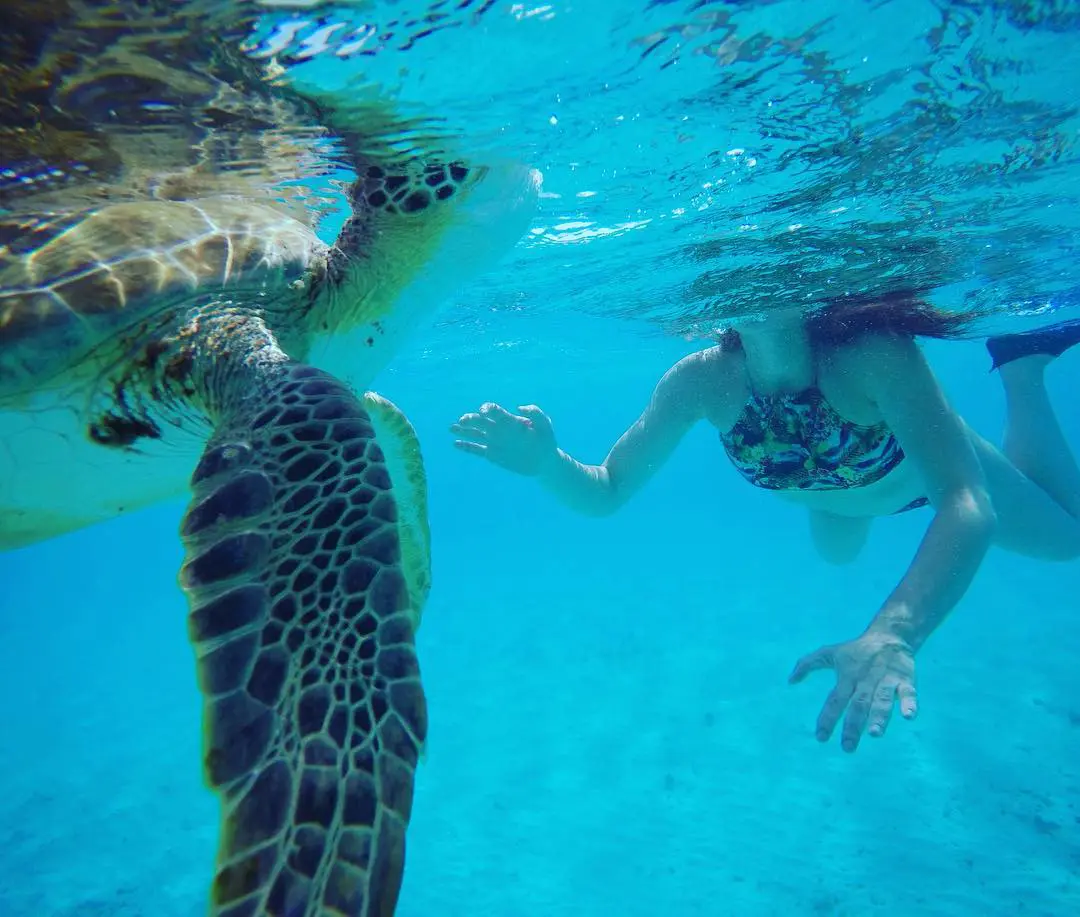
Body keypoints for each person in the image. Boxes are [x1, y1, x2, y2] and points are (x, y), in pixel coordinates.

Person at [449, 293, 1080, 753]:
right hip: (832, 498)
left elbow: (965, 501)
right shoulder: (699, 383)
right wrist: (545, 463)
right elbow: (607, 490)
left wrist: (895, 633)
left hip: (918, 474)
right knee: (837, 554)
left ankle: (1022, 368)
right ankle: (1015, 377)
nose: (759, 284)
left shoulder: (874, 357)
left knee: (1067, 540)